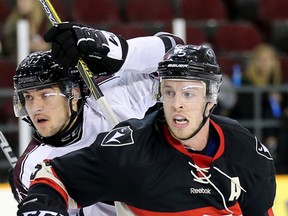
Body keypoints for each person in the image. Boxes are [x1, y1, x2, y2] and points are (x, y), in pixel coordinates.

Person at [17, 44, 276, 216]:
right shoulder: (130, 149)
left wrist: (112, 45)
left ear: (211, 98)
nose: (177, 104)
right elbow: (55, 178)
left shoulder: (246, 150)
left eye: (189, 93)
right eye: (169, 92)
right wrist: (40, 206)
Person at [11, 22, 184, 216]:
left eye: (46, 95)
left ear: (74, 93)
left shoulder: (111, 95)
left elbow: (176, 52)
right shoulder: (30, 167)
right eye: (28, 98)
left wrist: (118, 51)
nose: (36, 107)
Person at [230, 43, 288, 171]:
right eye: (261, 59)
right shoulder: (245, 82)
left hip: (276, 127)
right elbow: (245, 110)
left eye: (268, 59)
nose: (265, 63)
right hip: (249, 124)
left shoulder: (280, 82)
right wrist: (267, 99)